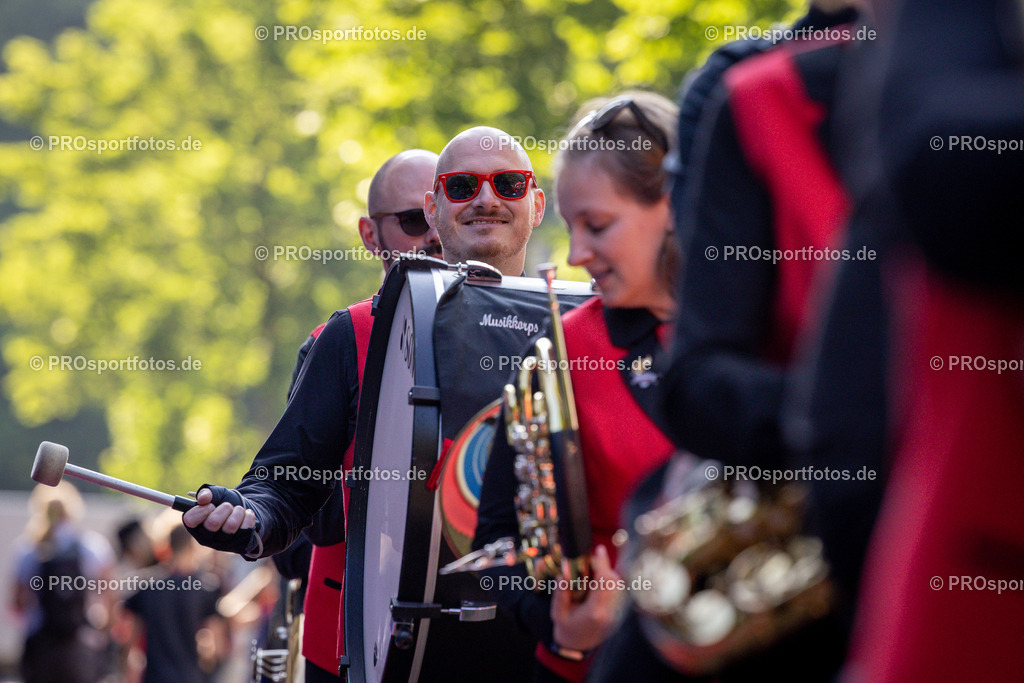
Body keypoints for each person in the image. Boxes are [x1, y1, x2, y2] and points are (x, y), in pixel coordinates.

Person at [180, 128, 545, 677]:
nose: (487, 199)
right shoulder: (352, 332)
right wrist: (248, 516)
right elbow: (287, 482)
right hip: (382, 652)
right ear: (435, 205)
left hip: (536, 650)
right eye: (462, 185)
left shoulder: (579, 329)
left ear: (536, 204)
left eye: (508, 184)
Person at [473, 92, 680, 682]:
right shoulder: (559, 350)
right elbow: (496, 543)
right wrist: (558, 627)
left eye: (598, 225)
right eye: (569, 226)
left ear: (671, 204)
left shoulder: (765, 321)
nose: (576, 254)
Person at [280, 148, 441, 683]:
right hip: (348, 634)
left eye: (443, 212)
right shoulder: (341, 338)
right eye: (415, 221)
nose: (434, 234)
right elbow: (307, 511)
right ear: (370, 235)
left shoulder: (508, 331)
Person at [11, 481, 116, 683]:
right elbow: (110, 595)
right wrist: (100, 631)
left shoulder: (27, 549)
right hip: (80, 644)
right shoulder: (92, 546)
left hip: (41, 645)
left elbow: (18, 602)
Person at [118, 523, 225, 683]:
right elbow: (217, 646)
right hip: (190, 676)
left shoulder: (147, 585)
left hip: (154, 676)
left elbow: (130, 640)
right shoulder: (206, 588)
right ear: (193, 548)